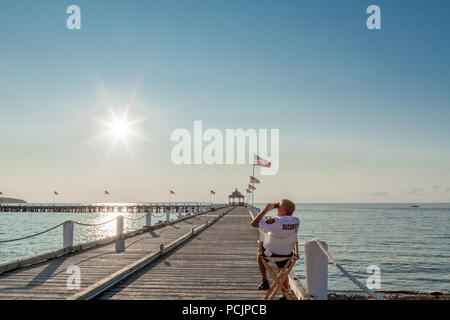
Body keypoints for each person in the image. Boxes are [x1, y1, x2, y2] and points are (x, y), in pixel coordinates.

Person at [250, 199, 299, 291]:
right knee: (283, 271)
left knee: (260, 256)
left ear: (283, 210)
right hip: (287, 255)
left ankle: (264, 281)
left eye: (278, 207)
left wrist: (266, 210)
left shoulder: (276, 222)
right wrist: (279, 205)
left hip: (270, 254)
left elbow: (254, 223)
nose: (277, 208)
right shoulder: (296, 221)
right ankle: (285, 294)